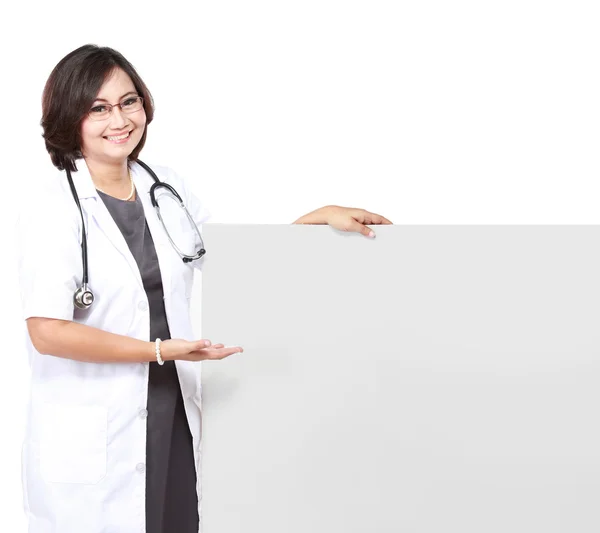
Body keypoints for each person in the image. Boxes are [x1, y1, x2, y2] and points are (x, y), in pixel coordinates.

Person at [16, 44, 393, 533]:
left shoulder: (164, 187)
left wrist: (315, 219)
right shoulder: (54, 208)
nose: (120, 119)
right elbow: (47, 332)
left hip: (170, 408)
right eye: (99, 108)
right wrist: (158, 349)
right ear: (71, 119)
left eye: (129, 101)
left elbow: (228, 263)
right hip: (95, 428)